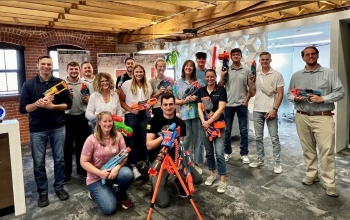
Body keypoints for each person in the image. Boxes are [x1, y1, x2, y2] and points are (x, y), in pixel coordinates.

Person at [287, 46, 345, 197]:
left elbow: (340, 92)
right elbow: (289, 93)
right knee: (308, 149)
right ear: (303, 57)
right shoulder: (296, 75)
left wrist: (323, 99)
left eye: (313, 54)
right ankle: (312, 174)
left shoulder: (329, 73)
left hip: (323, 116)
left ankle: (329, 183)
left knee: (326, 150)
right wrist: (295, 98)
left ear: (317, 55)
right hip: (302, 115)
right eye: (307, 54)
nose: (310, 56)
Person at [19, 55, 72, 207]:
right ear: (38, 65)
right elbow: (24, 109)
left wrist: (52, 106)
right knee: (38, 163)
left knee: (59, 160)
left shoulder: (60, 84)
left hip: (58, 127)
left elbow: (67, 105)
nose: (46, 67)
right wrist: (37, 104)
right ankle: (43, 192)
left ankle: (59, 187)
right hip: (37, 129)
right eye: (43, 64)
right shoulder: (29, 85)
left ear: (52, 66)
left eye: (49, 64)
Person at [146, 93, 203, 207]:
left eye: (171, 104)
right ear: (161, 106)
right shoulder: (153, 121)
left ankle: (179, 181)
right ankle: (156, 183)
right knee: (163, 203)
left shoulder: (181, 123)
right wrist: (164, 136)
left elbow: (181, 145)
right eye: (165, 105)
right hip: (159, 161)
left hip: (176, 160)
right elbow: (149, 145)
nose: (168, 107)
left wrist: (181, 159)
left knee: (198, 179)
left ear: (175, 105)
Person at [80, 111, 134, 215]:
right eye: (105, 121)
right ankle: (93, 193)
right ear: (99, 122)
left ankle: (121, 195)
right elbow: (83, 162)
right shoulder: (91, 140)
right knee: (109, 209)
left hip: (113, 173)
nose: (108, 124)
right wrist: (100, 173)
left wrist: (117, 167)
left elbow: (124, 157)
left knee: (127, 174)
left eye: (110, 121)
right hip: (96, 177)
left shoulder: (118, 136)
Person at [248, 52, 284, 174]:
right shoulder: (255, 74)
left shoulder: (277, 74)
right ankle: (260, 159)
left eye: (266, 59)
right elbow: (253, 93)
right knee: (258, 137)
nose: (264, 61)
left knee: (274, 138)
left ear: (270, 60)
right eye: (262, 59)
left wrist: (275, 109)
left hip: (270, 109)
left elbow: (280, 94)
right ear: (259, 61)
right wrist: (251, 82)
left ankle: (277, 162)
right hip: (257, 109)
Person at [119, 64, 153, 179]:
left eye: (141, 72)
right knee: (132, 141)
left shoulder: (147, 85)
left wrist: (148, 105)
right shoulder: (126, 84)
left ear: (144, 73)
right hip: (131, 115)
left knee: (145, 140)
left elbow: (149, 100)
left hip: (145, 115)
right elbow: (121, 101)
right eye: (137, 72)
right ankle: (133, 166)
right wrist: (130, 110)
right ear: (133, 73)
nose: (139, 74)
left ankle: (145, 163)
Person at [173, 60, 205, 174]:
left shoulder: (199, 82)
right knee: (185, 141)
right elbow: (174, 100)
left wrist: (197, 98)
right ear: (183, 68)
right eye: (187, 65)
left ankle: (196, 163)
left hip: (197, 115)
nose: (189, 67)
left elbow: (205, 96)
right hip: (184, 116)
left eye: (191, 66)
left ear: (193, 68)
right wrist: (184, 100)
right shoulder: (177, 83)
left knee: (198, 140)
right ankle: (183, 162)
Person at [218, 48, 251, 163]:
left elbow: (250, 88)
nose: (236, 56)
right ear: (231, 57)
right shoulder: (226, 69)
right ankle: (227, 152)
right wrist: (222, 75)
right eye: (234, 54)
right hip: (228, 104)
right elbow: (220, 86)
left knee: (243, 130)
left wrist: (246, 100)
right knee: (227, 130)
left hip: (242, 104)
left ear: (241, 56)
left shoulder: (246, 70)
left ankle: (244, 153)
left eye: (238, 54)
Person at [198, 69, 228, 193]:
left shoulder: (221, 90)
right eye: (208, 77)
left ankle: (222, 180)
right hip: (205, 126)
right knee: (209, 152)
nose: (210, 79)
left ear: (215, 77)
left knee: (220, 153)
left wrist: (209, 122)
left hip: (218, 126)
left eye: (212, 77)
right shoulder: (201, 91)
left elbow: (221, 109)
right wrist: (204, 122)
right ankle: (211, 174)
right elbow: (199, 108)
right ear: (205, 78)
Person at [63, 62, 90, 184]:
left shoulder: (84, 84)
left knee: (82, 146)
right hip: (67, 118)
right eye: (71, 69)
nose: (73, 71)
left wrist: (88, 100)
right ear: (67, 70)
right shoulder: (62, 85)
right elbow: (57, 101)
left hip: (81, 118)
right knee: (67, 147)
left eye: (75, 69)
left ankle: (81, 170)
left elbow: (89, 101)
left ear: (79, 70)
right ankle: (67, 172)